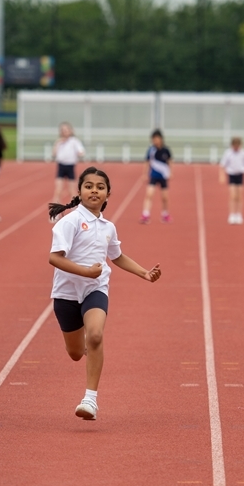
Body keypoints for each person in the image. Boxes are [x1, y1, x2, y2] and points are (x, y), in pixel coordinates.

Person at [48, 166, 161, 420]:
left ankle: (90, 400)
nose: (94, 191)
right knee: (76, 353)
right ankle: (87, 350)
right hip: (66, 294)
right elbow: (54, 258)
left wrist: (144, 273)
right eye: (89, 186)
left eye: (100, 187)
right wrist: (85, 271)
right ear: (80, 191)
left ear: (108, 194)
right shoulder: (70, 222)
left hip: (95, 289)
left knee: (96, 336)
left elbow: (117, 257)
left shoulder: (108, 226)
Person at [51, 122, 85, 221]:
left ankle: (76, 212)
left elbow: (81, 151)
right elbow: (54, 154)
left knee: (72, 191)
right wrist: (58, 144)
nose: (65, 132)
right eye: (63, 130)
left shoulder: (74, 141)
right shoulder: (59, 142)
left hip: (70, 167)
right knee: (58, 190)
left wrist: (80, 152)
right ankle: (55, 213)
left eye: (66, 130)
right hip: (61, 167)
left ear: (70, 131)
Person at [139, 129, 173, 224]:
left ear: (161, 139)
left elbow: (170, 161)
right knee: (149, 194)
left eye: (157, 139)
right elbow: (147, 162)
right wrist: (144, 174)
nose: (155, 141)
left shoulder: (166, 150)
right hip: (153, 175)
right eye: (154, 139)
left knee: (165, 197)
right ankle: (145, 214)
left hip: (163, 176)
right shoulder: (151, 150)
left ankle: (165, 214)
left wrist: (171, 172)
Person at [219, 137, 244, 224]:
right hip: (232, 175)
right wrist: (222, 176)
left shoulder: (243, 153)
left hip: (240, 174)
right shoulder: (228, 153)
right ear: (232, 145)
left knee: (239, 196)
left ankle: (239, 214)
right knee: (232, 195)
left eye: (238, 146)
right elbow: (223, 165)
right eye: (235, 146)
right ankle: (232, 214)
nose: (236, 148)